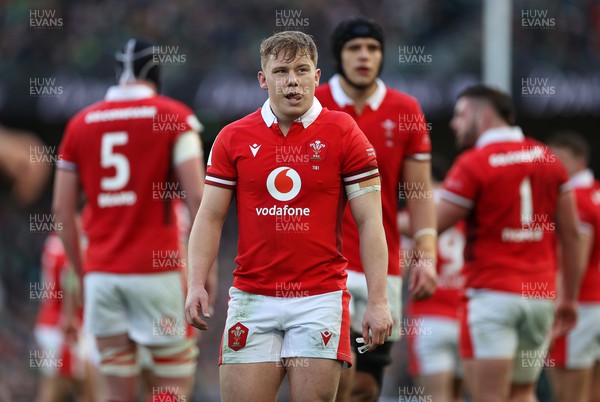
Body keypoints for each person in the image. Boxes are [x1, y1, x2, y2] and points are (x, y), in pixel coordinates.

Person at [184, 31, 393, 402]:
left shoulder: (345, 133)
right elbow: (210, 216)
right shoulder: (232, 137)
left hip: (320, 299)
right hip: (252, 298)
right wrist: (196, 282)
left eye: (301, 69)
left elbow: (369, 223)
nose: (292, 80)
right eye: (281, 71)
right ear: (263, 79)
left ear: (317, 76)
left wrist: (378, 301)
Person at [52, 38, 205, 402]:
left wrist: (85, 270)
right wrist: (205, 272)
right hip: (158, 274)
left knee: (115, 392)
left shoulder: (79, 123)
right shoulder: (176, 117)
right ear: (157, 73)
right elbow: (198, 197)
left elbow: (61, 212)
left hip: (103, 276)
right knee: (170, 387)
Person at [314, 17, 437, 402]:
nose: (364, 56)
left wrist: (427, 254)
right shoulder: (313, 103)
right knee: (333, 377)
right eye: (354, 49)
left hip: (379, 269)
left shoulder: (405, 109)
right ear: (339, 57)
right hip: (322, 264)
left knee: (366, 385)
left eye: (372, 48)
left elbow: (418, 191)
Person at [436, 85, 584, 402]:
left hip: (491, 296)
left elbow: (431, 225)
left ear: (483, 115)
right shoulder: (548, 157)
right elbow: (571, 236)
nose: (454, 123)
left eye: (461, 115)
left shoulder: (473, 163)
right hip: (541, 297)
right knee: (523, 393)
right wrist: (569, 298)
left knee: (490, 397)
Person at [403, 157, 465, 402]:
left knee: (434, 398)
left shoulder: (418, 211)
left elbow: (405, 264)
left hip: (430, 317)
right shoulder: (462, 207)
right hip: (465, 315)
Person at [547, 132, 600, 402]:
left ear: (578, 162)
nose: (552, 165)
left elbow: (577, 252)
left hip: (581, 306)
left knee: (568, 396)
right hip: (595, 304)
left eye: (558, 159)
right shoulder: (595, 192)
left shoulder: (576, 197)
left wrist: (562, 301)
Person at [34, 231, 97, 402]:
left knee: (54, 388)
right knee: (87, 391)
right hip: (65, 327)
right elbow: (69, 278)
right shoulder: (74, 244)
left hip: (48, 323)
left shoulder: (53, 242)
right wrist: (69, 317)